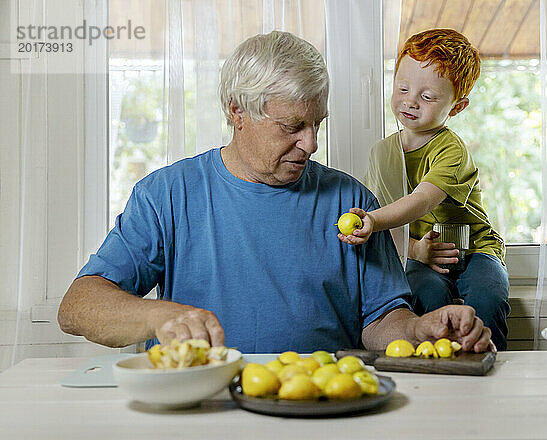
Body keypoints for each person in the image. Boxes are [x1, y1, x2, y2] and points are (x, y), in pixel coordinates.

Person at [58, 30, 493, 354]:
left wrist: (420, 330)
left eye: (317, 124)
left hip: (321, 408)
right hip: (203, 410)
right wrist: (161, 315)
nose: (311, 144)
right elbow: (78, 306)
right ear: (237, 112)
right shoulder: (167, 195)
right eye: (292, 127)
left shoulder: (351, 202)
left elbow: (383, 320)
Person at [338, 29, 510, 350]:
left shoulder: (451, 150)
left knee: (489, 299)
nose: (410, 101)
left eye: (428, 97)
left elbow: (421, 201)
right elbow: (392, 216)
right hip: (424, 254)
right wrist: (415, 249)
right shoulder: (382, 153)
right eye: (402, 88)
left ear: (456, 108)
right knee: (424, 296)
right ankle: (438, 366)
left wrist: (373, 220)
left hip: (475, 251)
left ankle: (488, 364)